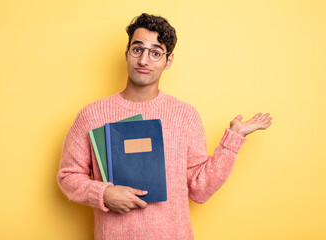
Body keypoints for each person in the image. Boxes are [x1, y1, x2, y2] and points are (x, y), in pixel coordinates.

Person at [57, 13, 272, 240]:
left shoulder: (185, 115)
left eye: (155, 53)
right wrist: (104, 193)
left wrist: (233, 140)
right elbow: (68, 176)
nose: (143, 60)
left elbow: (200, 189)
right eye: (137, 50)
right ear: (126, 53)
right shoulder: (92, 114)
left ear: (168, 61)